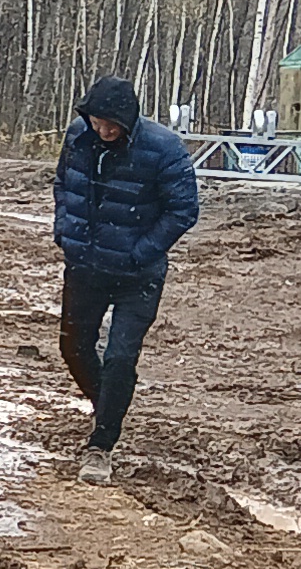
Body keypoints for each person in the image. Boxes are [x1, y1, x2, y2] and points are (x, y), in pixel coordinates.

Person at [50, 73, 200, 484]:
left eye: (112, 124)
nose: (104, 131)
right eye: (97, 122)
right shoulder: (78, 136)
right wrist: (65, 230)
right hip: (85, 266)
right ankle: (110, 407)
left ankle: (101, 445)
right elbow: (63, 184)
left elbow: (184, 210)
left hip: (138, 275)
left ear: (129, 120)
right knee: (73, 348)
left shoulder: (164, 149)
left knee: (120, 356)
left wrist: (141, 252)